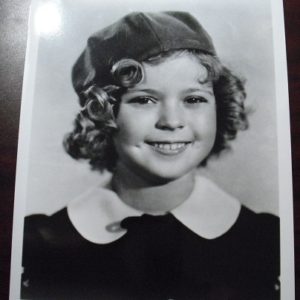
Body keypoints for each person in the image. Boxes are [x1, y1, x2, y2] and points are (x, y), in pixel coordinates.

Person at [21, 12, 280, 299]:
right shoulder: (40, 246)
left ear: (219, 107)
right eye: (144, 99)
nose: (171, 121)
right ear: (102, 114)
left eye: (194, 99)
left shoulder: (267, 242)